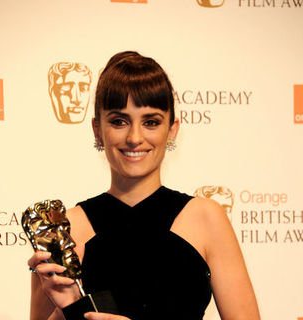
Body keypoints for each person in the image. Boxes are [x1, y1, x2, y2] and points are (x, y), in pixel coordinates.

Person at [28, 51, 261, 320]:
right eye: (119, 121)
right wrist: (65, 309)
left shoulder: (206, 218)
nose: (135, 137)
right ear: (97, 129)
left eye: (151, 122)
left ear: (172, 130)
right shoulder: (63, 228)